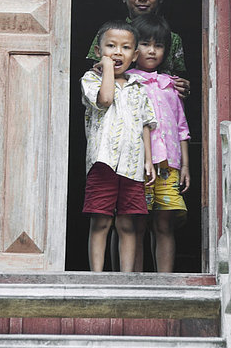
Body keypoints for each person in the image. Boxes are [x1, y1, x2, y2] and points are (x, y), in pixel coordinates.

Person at [81, 20, 157, 272]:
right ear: (97, 51)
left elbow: (146, 124)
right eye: (110, 46)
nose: (117, 52)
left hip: (132, 166)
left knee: (128, 224)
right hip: (103, 164)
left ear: (134, 55)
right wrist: (106, 70)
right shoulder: (91, 79)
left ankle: (125, 278)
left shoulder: (138, 87)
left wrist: (148, 160)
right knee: (101, 221)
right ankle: (97, 276)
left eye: (125, 48)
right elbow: (105, 99)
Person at [128, 14, 191, 272]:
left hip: (169, 164)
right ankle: (137, 284)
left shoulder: (170, 86)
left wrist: (185, 165)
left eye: (159, 45)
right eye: (145, 44)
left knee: (164, 224)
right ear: (133, 48)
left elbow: (182, 127)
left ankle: (165, 281)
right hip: (137, 165)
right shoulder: (127, 82)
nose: (152, 50)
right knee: (137, 224)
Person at [87, 0, 190, 99]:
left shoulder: (172, 39)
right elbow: (95, 76)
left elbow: (178, 80)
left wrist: (182, 87)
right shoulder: (109, 33)